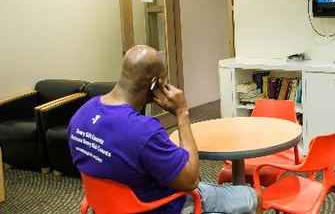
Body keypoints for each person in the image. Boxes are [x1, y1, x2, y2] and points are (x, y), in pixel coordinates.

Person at [68, 45, 259, 214]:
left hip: (107, 206)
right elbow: (191, 180)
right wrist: (182, 113)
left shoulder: (81, 114)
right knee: (252, 196)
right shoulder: (143, 131)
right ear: (155, 84)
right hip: (159, 206)